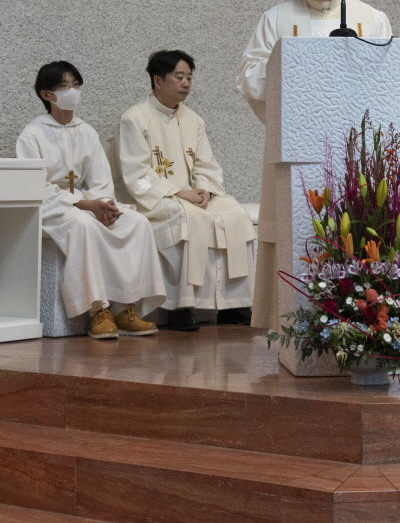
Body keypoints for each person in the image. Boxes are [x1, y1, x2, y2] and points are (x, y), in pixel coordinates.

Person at [236, 0, 392, 329]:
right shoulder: (276, 19)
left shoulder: (371, 18)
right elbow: (250, 78)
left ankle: (363, 319)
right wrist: (290, 73)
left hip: (356, 150)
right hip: (298, 147)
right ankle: (292, 323)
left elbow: (389, 77)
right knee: (297, 230)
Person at [17, 61, 165, 339]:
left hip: (88, 202)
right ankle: (97, 310)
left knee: (137, 222)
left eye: (76, 84)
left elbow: (100, 180)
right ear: (46, 94)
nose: (72, 91)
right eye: (64, 86)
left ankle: (125, 309)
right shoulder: (32, 134)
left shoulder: (86, 131)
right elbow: (36, 187)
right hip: (51, 208)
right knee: (84, 225)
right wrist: (84, 205)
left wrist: (104, 206)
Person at [113, 50, 256, 332]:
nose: (186, 83)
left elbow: (206, 164)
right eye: (179, 77)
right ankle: (181, 306)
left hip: (193, 196)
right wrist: (180, 193)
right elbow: (136, 174)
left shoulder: (193, 120)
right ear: (158, 80)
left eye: (189, 77)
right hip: (154, 199)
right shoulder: (135, 119)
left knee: (235, 214)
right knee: (190, 218)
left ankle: (234, 304)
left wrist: (205, 191)